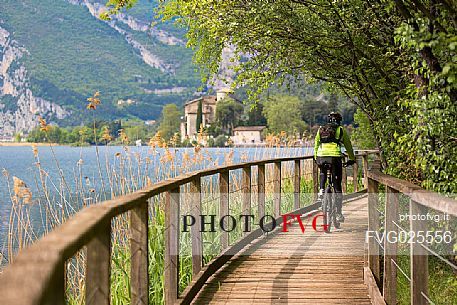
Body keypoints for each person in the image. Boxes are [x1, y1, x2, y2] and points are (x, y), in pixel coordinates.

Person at [314, 112, 355, 222]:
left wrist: (316, 157)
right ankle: (338, 214)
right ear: (339, 120)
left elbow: (316, 144)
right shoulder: (341, 130)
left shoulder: (321, 129)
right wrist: (352, 158)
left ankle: (321, 190)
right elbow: (348, 146)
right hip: (335, 158)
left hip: (321, 157)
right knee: (337, 186)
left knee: (322, 171)